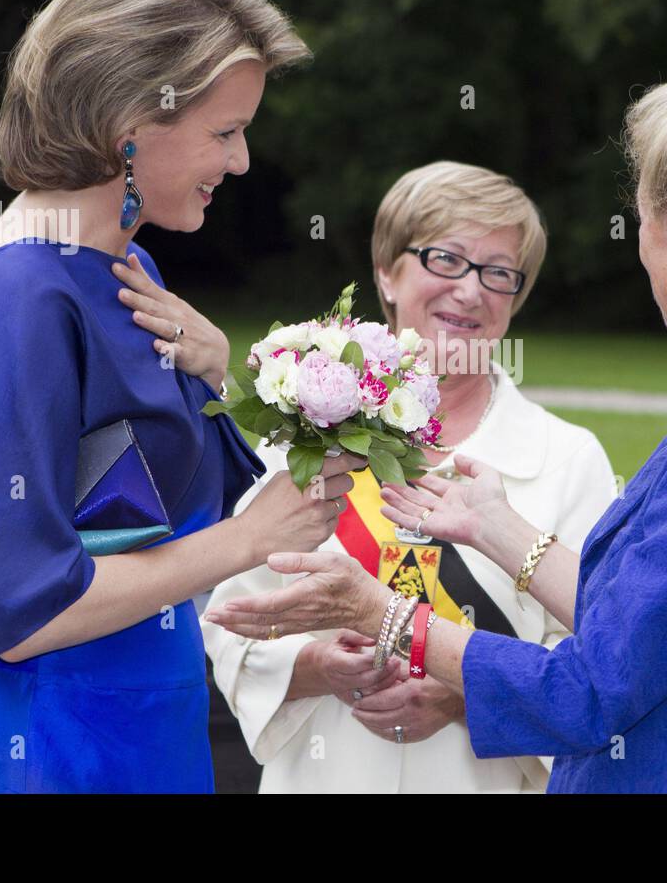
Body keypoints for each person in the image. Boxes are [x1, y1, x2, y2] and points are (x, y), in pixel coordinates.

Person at [205, 74, 667, 792]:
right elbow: (647, 619)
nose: (470, 290)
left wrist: (384, 614)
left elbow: (592, 685)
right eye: (445, 259)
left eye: (640, 218)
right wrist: (499, 527)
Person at [0, 0, 367, 793]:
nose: (241, 162)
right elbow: (20, 613)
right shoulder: (20, 301)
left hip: (138, 722)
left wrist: (224, 379)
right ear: (129, 125)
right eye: (226, 132)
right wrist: (245, 540)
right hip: (46, 741)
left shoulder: (125, 269)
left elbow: (140, 508)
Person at [202, 161, 618, 792]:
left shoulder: (569, 458)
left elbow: (597, 655)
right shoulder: (298, 441)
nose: (470, 291)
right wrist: (318, 666)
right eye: (445, 258)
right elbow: (232, 622)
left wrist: (465, 695)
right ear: (386, 273)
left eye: (498, 272)